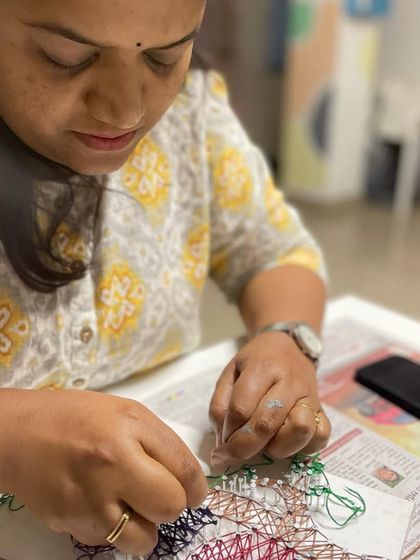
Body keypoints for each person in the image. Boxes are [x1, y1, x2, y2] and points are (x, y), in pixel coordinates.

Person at [0, 0, 331, 556]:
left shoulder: (189, 117)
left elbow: (277, 252)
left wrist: (289, 338)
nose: (124, 110)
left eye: (164, 56)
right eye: (67, 56)